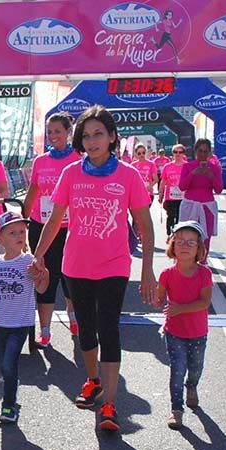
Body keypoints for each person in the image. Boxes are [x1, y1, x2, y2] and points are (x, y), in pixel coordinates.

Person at [32, 105, 157, 432]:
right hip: (75, 264)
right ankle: (92, 380)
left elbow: (144, 225)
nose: (92, 141)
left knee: (108, 327)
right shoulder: (70, 173)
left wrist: (147, 269)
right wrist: (39, 255)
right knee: (85, 329)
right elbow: (54, 220)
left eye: (99, 134)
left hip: (114, 265)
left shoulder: (128, 175)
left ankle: (111, 404)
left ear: (112, 137)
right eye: (86, 136)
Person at [21, 112, 78, 346]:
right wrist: (22, 219)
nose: (53, 136)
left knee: (70, 276)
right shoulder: (40, 161)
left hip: (69, 227)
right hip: (41, 226)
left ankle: (74, 316)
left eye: (58, 131)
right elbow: (34, 190)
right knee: (44, 275)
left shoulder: (78, 159)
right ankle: (45, 331)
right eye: (50, 131)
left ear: (68, 132)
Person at [0, 217, 49, 425]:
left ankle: (9, 405)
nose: (19, 236)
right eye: (13, 233)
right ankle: (11, 385)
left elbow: (41, 288)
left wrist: (43, 274)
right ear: (0, 238)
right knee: (1, 364)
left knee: (9, 364)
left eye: (22, 232)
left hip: (20, 323)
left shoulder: (30, 261)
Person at [154, 221, 212, 430]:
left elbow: (204, 302)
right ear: (172, 246)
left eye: (191, 242)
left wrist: (180, 309)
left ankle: (192, 386)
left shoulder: (204, 273)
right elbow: (160, 299)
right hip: (174, 332)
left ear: (199, 248)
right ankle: (176, 410)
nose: (185, 246)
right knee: (177, 369)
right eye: (180, 241)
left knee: (195, 368)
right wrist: (155, 299)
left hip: (198, 332)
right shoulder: (167, 274)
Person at [178, 139, 223, 254]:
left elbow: (219, 190)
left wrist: (211, 176)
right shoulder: (187, 167)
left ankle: (202, 263)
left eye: (205, 151)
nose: (202, 154)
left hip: (207, 207)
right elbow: (182, 187)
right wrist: (192, 174)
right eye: (200, 151)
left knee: (205, 239)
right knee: (186, 237)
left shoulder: (215, 168)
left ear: (209, 153)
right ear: (195, 151)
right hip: (189, 206)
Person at [159, 144, 187, 235]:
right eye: (175, 152)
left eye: (180, 152)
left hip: (183, 197)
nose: (178, 154)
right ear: (172, 154)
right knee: (170, 216)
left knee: (180, 217)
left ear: (183, 154)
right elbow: (163, 182)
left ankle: (178, 235)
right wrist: (160, 195)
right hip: (170, 197)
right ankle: (169, 234)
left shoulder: (187, 166)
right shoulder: (167, 166)